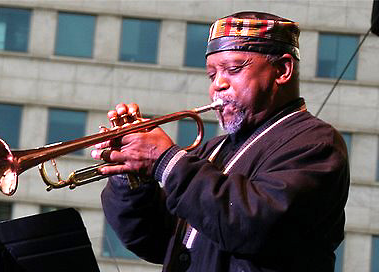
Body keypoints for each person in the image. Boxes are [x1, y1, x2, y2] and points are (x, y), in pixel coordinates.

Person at [91, 11, 350, 272]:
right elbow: (153, 241)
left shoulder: (316, 144)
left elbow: (252, 224)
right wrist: (131, 177)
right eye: (212, 75)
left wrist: (165, 161)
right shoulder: (212, 150)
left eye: (233, 69)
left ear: (282, 70)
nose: (219, 85)